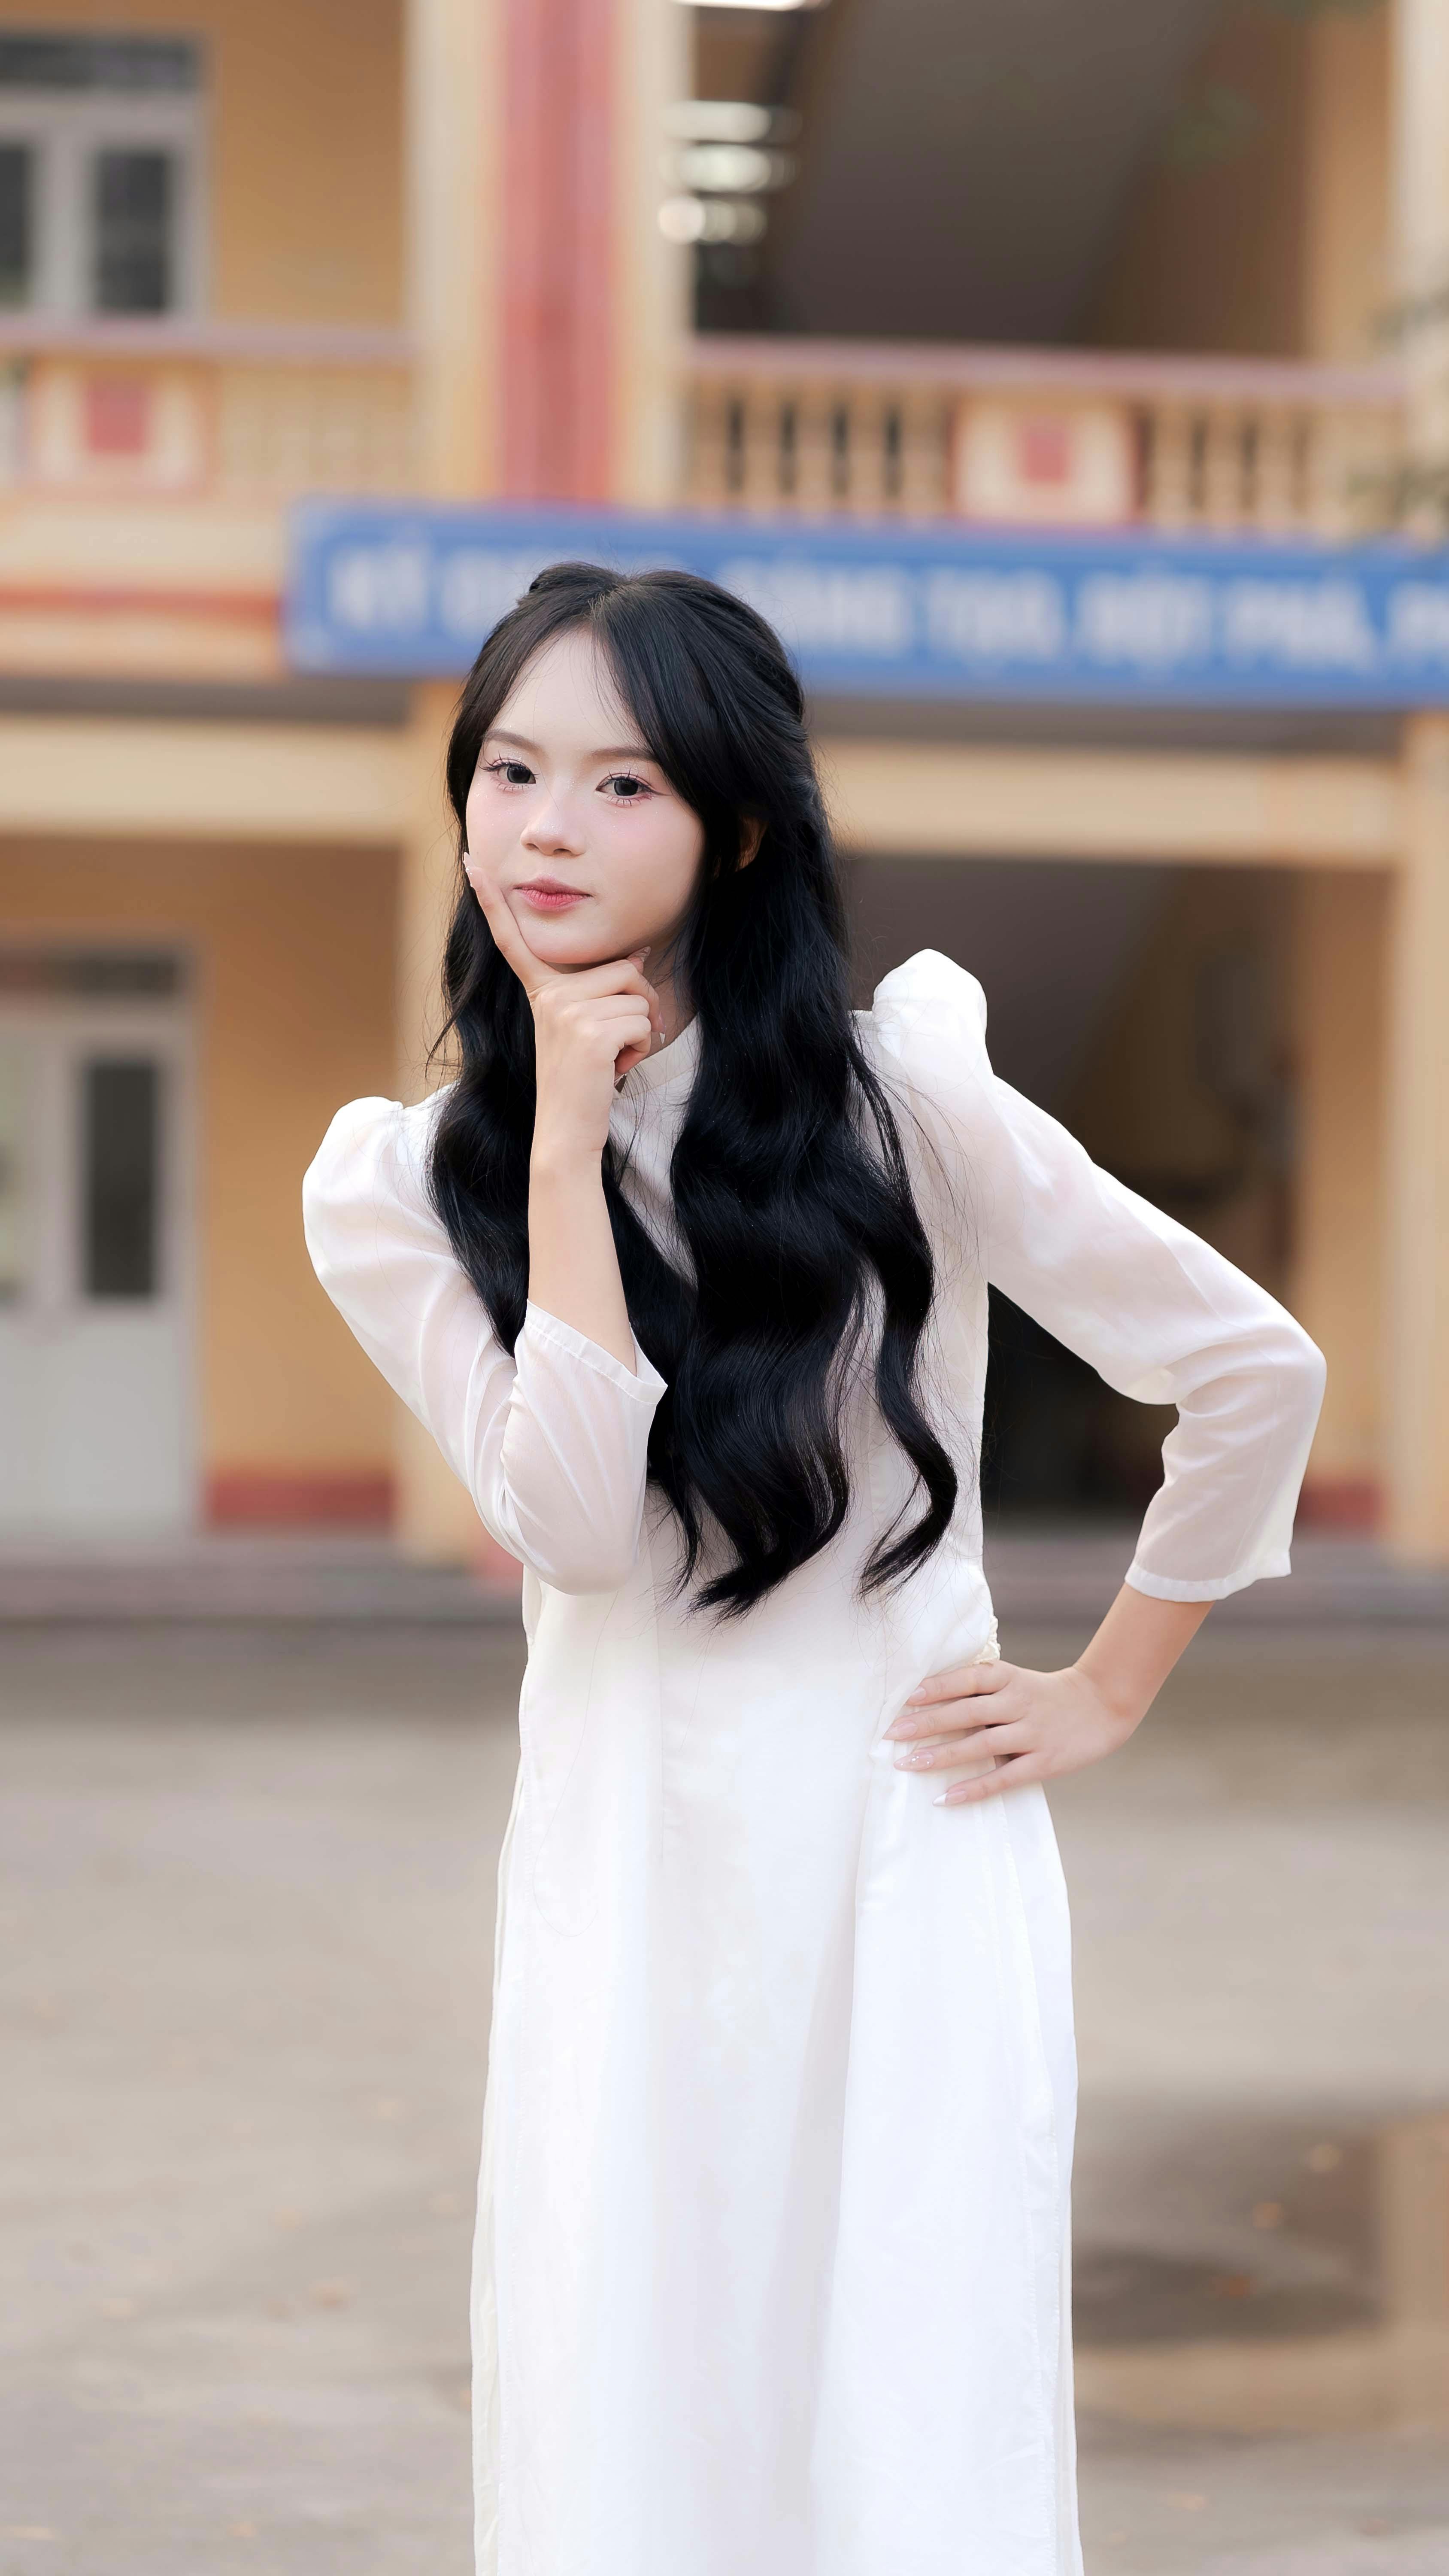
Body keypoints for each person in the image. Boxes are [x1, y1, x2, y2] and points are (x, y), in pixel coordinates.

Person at [302, 562, 1325, 2576]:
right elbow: (581, 1528)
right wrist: (561, 1139)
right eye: (510, 773)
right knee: (634, 2393)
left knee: (908, 2405)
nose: (543, 831)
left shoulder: (901, 1104)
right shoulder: (406, 1185)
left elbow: (1246, 1366)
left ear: (733, 824)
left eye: (619, 786)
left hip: (899, 1846)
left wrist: (1103, 1685)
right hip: (628, 1866)